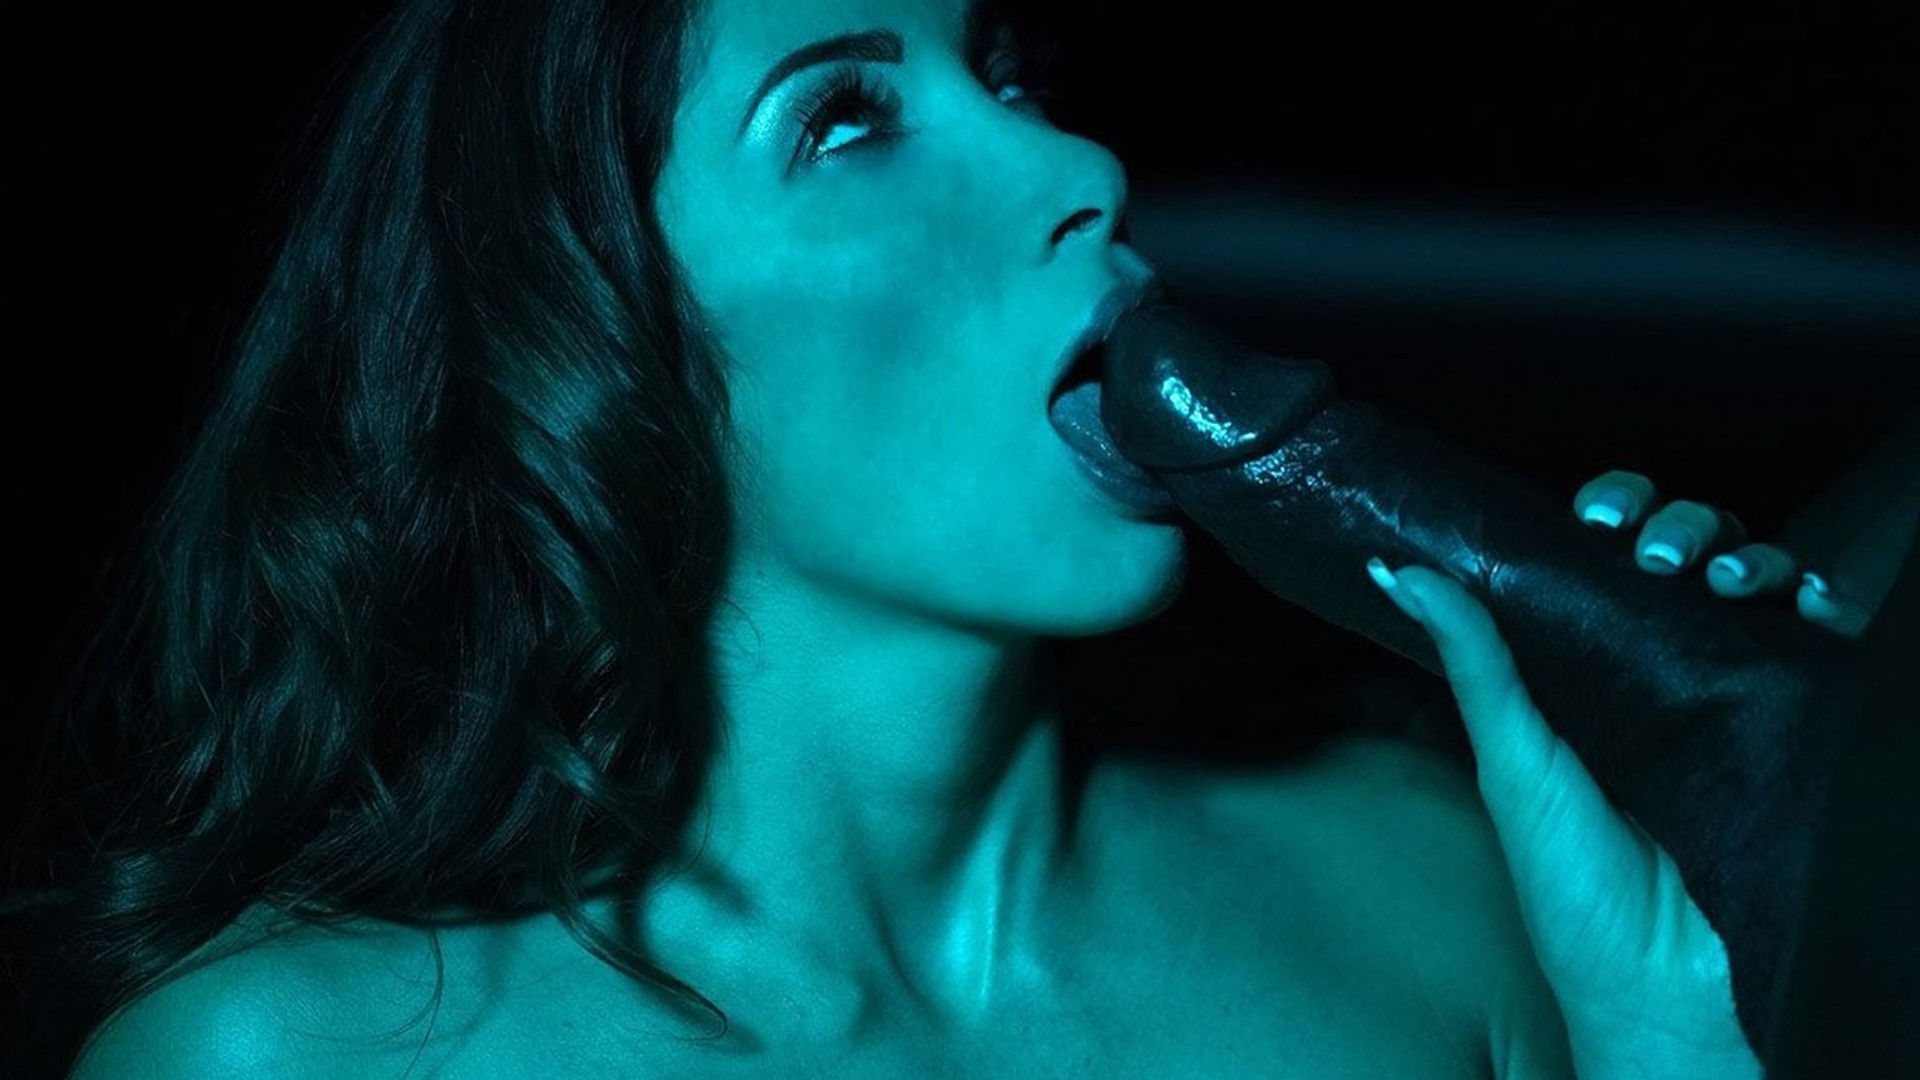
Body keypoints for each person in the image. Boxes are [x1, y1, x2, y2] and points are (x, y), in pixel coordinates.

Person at [8, 1, 1895, 1077]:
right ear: (586, 346)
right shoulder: (295, 1058)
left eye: (1007, 75)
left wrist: (1694, 1032)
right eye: (846, 121)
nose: (1082, 167)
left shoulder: (1440, 896)